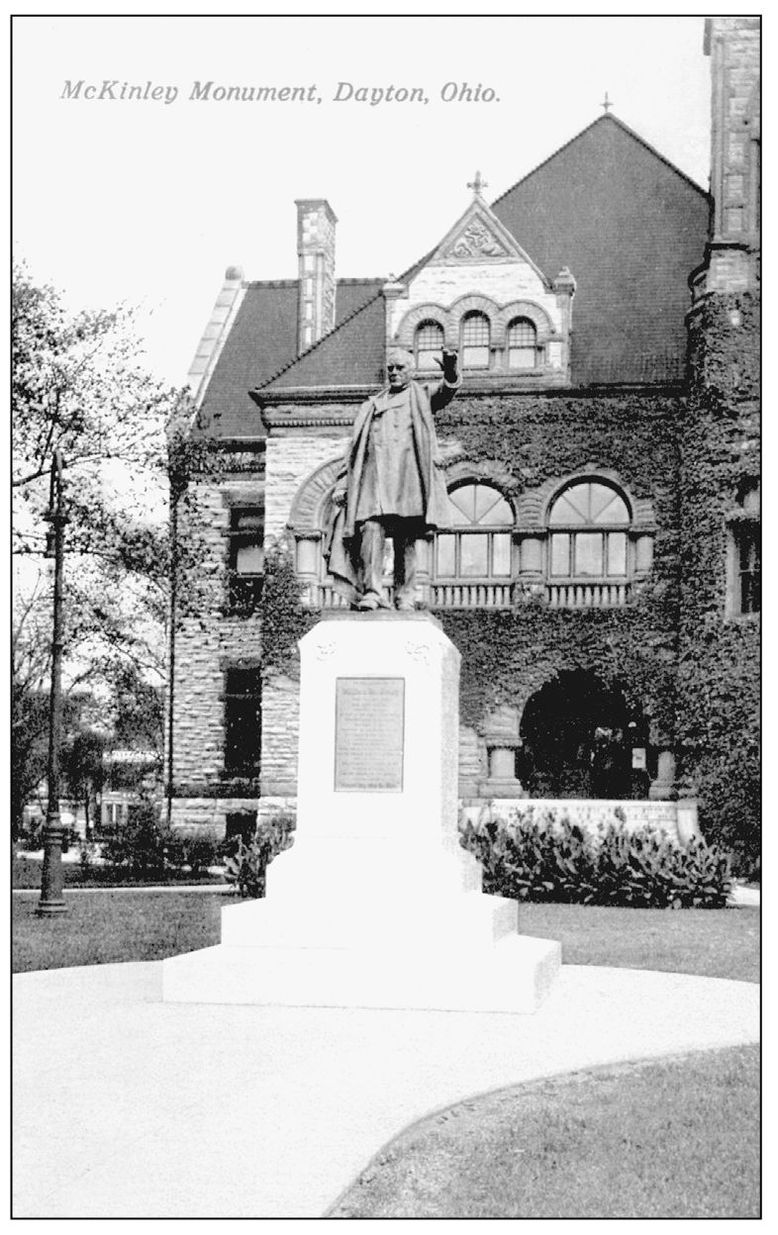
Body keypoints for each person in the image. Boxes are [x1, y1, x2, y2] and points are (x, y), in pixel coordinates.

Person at [325, 345, 461, 610]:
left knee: (407, 536)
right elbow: (354, 451)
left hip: (407, 476)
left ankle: (405, 595)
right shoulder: (372, 405)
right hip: (374, 480)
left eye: (400, 368)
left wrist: (451, 368)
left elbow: (447, 392)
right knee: (371, 529)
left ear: (412, 371)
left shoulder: (421, 395)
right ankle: (373, 592)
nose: (394, 373)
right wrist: (343, 483)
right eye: (391, 368)